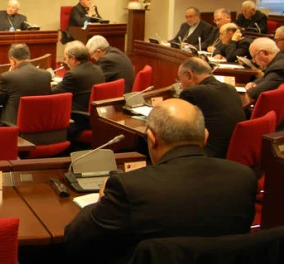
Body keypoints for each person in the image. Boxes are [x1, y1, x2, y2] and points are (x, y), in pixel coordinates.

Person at [64, 99, 257, 263]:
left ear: (152, 138)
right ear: (205, 137)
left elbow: (75, 238)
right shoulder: (243, 178)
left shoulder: (130, 187)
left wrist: (102, 198)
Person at [177, 57, 245, 158]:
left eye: (180, 79)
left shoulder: (191, 93)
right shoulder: (231, 89)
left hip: (208, 156)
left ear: (189, 75)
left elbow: (180, 129)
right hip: (234, 153)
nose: (180, 86)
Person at [0, 44, 51, 126]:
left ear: (13, 60)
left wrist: (10, 73)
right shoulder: (46, 75)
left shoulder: (8, 76)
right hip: (39, 124)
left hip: (14, 125)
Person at [52, 41, 105, 138]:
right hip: (96, 116)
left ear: (73, 58)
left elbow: (53, 93)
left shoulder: (73, 74)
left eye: (66, 58)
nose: (65, 62)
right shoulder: (97, 69)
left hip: (79, 119)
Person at [245, 38, 284, 130]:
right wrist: (253, 83)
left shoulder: (280, 68)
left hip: (283, 122)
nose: (253, 61)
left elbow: (255, 93)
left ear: (265, 53)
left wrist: (252, 89)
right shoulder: (281, 60)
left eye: (254, 56)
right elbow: (266, 77)